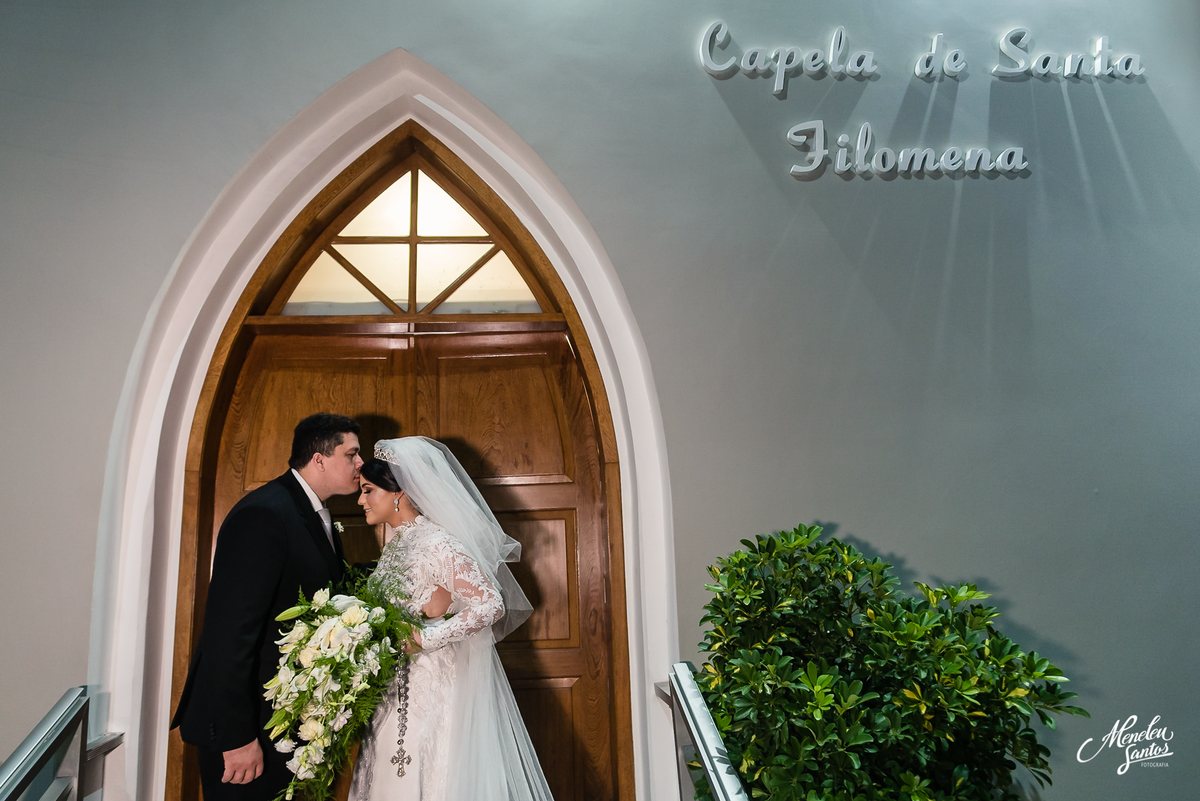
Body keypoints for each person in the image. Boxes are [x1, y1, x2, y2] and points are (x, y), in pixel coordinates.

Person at [172, 413, 364, 801]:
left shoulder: (307, 511)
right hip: (246, 730)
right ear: (319, 458)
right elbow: (227, 636)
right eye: (353, 454)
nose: (361, 465)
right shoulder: (265, 515)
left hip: (279, 723)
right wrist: (238, 739)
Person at [349, 437, 552, 801]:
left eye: (368, 490)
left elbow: (491, 604)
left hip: (429, 683)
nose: (360, 500)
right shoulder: (397, 544)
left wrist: (426, 638)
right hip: (393, 688)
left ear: (399, 493)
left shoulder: (437, 543)